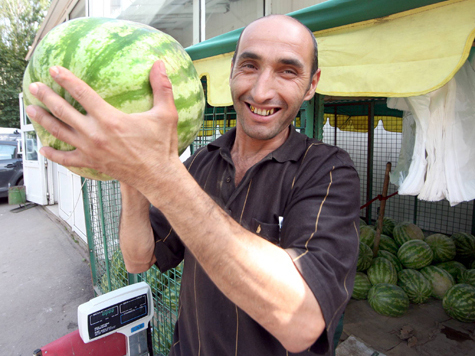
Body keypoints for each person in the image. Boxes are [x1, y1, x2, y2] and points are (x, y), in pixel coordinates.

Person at [26, 14, 359, 356]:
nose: (261, 91)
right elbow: (138, 258)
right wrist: (132, 169)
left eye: (287, 71)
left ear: (311, 84)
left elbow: (301, 322)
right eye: (249, 66)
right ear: (231, 71)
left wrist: (158, 172)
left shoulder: (328, 171)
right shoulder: (201, 162)